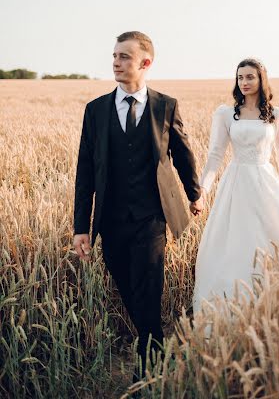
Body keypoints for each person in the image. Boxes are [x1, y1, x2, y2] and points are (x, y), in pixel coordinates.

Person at [73, 31, 204, 379]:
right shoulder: (96, 110)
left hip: (151, 216)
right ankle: (158, 344)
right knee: (126, 284)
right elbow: (85, 170)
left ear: (145, 63)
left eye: (124, 57)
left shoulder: (166, 105)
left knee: (149, 286)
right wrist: (80, 228)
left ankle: (148, 366)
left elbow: (183, 154)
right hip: (111, 218)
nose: (116, 62)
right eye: (114, 56)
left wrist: (194, 194)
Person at [193, 58, 279, 313]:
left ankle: (272, 303)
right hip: (235, 183)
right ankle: (231, 303)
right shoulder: (225, 113)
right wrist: (202, 191)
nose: (244, 82)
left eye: (250, 77)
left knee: (272, 239)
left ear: (261, 80)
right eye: (240, 78)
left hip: (266, 181)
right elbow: (215, 155)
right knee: (234, 241)